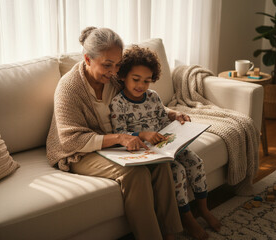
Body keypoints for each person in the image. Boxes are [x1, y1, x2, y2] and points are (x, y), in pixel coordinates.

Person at [46, 26, 184, 240]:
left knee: (161, 165)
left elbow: (137, 99)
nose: (114, 71)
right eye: (107, 65)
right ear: (88, 59)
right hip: (79, 152)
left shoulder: (114, 77)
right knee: (135, 174)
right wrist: (120, 138)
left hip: (116, 146)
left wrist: (170, 112)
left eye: (118, 64)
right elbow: (70, 139)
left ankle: (172, 234)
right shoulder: (69, 88)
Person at [110, 45, 221, 240]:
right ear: (123, 76)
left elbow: (163, 117)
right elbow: (119, 133)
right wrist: (143, 134)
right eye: (136, 79)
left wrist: (176, 117)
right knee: (176, 173)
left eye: (147, 81)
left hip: (166, 143)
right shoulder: (118, 103)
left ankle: (204, 210)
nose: (141, 85)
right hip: (145, 149)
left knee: (196, 162)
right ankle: (187, 219)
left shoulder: (153, 97)